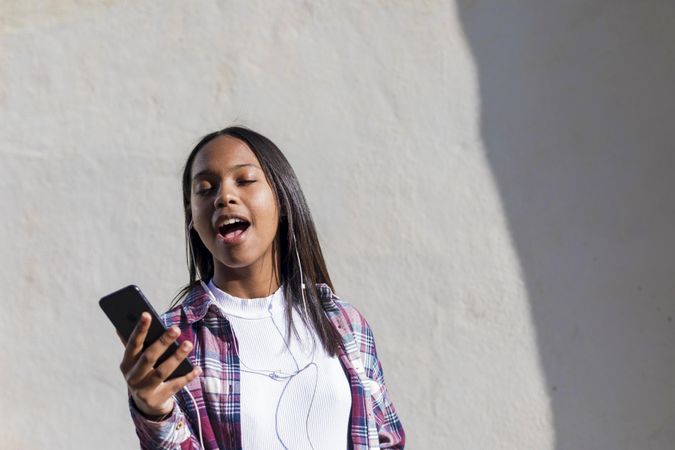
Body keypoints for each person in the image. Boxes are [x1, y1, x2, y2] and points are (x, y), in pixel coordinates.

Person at [117, 126, 405, 449]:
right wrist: (155, 413)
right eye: (204, 189)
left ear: (282, 198)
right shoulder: (176, 340)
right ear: (192, 219)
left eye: (244, 180)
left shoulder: (344, 322)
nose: (223, 197)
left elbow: (388, 441)